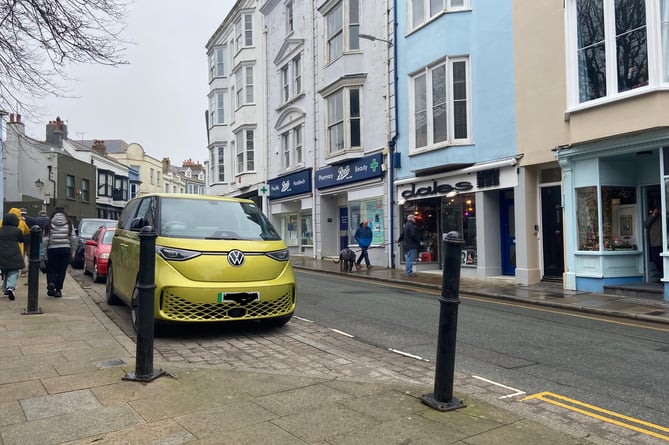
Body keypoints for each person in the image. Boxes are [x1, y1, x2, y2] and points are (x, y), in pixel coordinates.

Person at [42, 207, 77, 298]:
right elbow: (73, 238)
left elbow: (45, 240)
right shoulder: (69, 223)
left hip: (52, 249)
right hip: (65, 249)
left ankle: (51, 283)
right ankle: (58, 290)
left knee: (51, 268)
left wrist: (44, 253)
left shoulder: (49, 223)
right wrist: (73, 251)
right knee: (62, 270)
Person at [0, 212, 26, 301]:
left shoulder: (0, 230)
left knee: (5, 271)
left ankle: (5, 289)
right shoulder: (17, 230)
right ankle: (11, 287)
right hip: (14, 253)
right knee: (14, 272)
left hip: (1, 253)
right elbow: (21, 240)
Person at [644, 206, 663, 277]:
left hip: (664, 243)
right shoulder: (653, 217)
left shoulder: (665, 217)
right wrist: (653, 215)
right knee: (656, 260)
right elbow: (645, 225)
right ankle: (663, 275)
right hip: (655, 243)